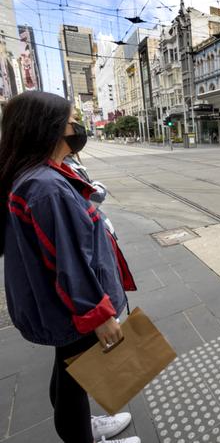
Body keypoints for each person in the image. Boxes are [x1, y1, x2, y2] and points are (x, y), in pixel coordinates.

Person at [0, 91, 139, 443]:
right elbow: (69, 260)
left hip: (54, 305)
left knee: (69, 373)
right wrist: (98, 314)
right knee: (76, 380)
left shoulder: (35, 175)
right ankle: (82, 435)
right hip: (71, 309)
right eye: (71, 121)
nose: (77, 127)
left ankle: (84, 427)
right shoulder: (47, 188)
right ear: (48, 129)